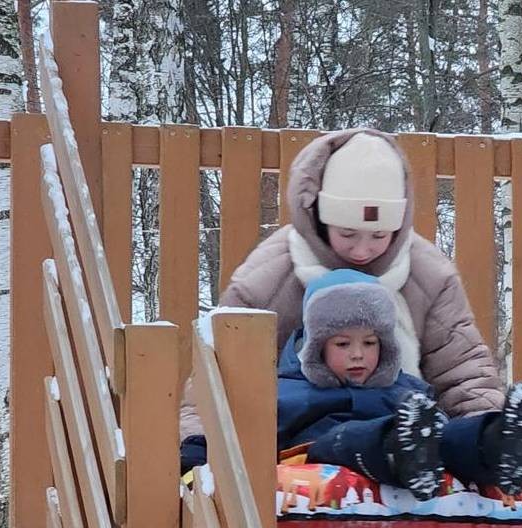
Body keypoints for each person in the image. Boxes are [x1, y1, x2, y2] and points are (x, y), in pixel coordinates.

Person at [180, 128, 505, 444]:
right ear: (321, 217)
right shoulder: (272, 276)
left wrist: (486, 434)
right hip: (299, 441)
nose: (362, 251)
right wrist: (198, 444)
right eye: (348, 234)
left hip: (408, 423)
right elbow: (220, 374)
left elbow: (462, 370)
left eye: (379, 235)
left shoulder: (427, 274)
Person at [229, 269, 522, 501]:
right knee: (346, 439)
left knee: (447, 436)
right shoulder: (288, 389)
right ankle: (402, 449)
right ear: (317, 346)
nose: (358, 355)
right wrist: (197, 452)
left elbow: (442, 426)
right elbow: (244, 431)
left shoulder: (406, 389)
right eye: (343, 344)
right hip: (323, 453)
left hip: (418, 439)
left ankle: (500, 444)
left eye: (370, 343)